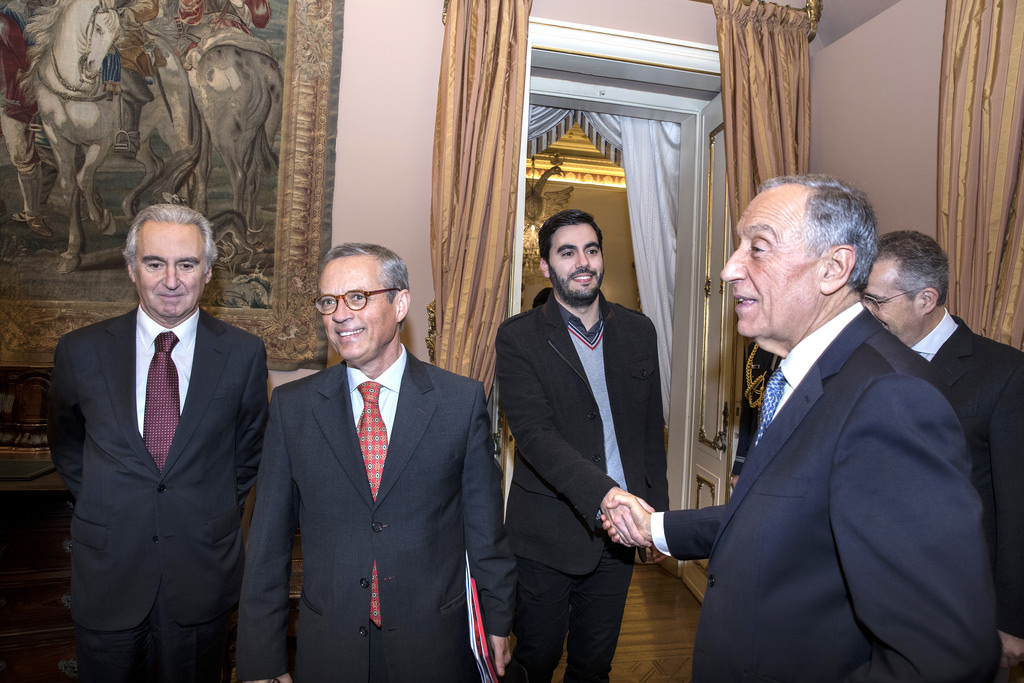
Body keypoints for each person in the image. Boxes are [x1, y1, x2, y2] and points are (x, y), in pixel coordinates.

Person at [602, 175, 1000, 682]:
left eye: (758, 248)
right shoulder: (799, 370)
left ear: (833, 269)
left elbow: (942, 658)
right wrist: (654, 527)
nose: (728, 269)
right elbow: (785, 517)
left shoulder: (892, 397)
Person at [235, 243, 516, 683]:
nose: (339, 314)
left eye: (357, 297)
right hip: (330, 643)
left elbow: (484, 529)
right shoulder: (293, 408)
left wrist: (498, 620)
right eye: (328, 301)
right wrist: (260, 660)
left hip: (434, 641)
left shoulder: (459, 402)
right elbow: (267, 544)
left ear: (400, 302)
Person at [47, 203, 269, 683]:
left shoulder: (244, 354)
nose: (172, 279)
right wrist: (107, 501)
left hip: (200, 572)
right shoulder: (80, 351)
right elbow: (65, 442)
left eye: (186, 264)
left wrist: (201, 508)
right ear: (132, 268)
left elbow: (248, 453)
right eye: (155, 263)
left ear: (208, 271)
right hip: (108, 570)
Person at [495, 209, 669, 683]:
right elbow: (533, 435)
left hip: (619, 538)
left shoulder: (639, 331)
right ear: (547, 267)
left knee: (594, 665)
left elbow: (652, 430)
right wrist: (606, 496)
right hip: (546, 535)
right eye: (567, 252)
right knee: (536, 659)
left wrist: (658, 519)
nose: (582, 262)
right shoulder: (518, 337)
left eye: (591, 250)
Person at [865, 230, 1024, 675]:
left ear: (926, 298)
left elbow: (1016, 509)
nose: (865, 311)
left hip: (959, 608)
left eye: (877, 301)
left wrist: (1011, 621)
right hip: (867, 597)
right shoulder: (860, 361)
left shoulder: (1005, 375)